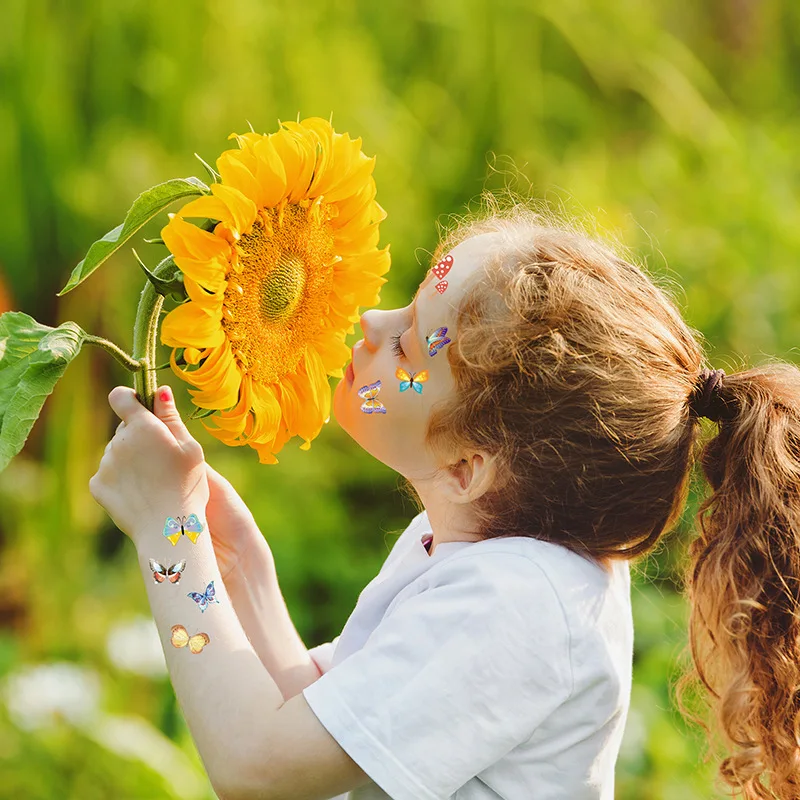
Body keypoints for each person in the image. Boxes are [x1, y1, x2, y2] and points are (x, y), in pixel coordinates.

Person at [89, 200, 800, 800]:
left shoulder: (520, 605)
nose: (373, 323)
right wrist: (237, 563)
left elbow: (260, 766)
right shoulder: (482, 555)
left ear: (467, 467)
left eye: (408, 347)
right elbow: (318, 718)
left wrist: (169, 533)